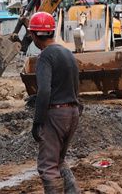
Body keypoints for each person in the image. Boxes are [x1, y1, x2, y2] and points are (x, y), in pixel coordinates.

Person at [28, 12, 81, 194]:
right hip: (72, 111)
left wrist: (37, 122)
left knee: (48, 166)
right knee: (59, 160)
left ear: (34, 35)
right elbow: (76, 86)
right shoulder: (68, 53)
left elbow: (44, 91)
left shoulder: (45, 57)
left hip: (56, 114)